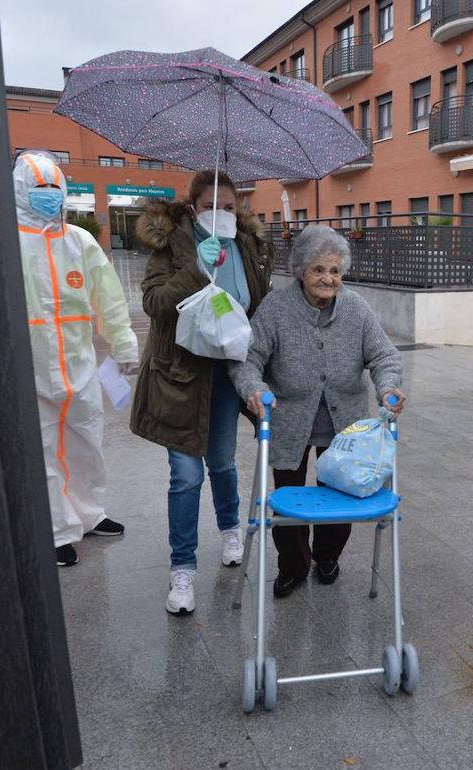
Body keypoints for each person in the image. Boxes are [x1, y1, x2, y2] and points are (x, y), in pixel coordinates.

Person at [230, 224, 404, 599]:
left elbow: (384, 355)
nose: (328, 278)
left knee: (340, 497)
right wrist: (255, 390)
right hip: (289, 421)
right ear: (301, 271)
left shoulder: (356, 309)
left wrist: (388, 387)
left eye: (335, 271)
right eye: (319, 269)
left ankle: (327, 556)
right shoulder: (277, 307)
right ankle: (293, 565)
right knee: (288, 499)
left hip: (347, 429)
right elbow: (248, 359)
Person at [131, 170, 274, 615]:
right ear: (194, 207)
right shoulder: (174, 243)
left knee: (224, 461)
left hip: (228, 374)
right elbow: (154, 304)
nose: (223, 214)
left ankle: (230, 528)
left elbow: (260, 306)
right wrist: (195, 269)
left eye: (230, 207)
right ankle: (183, 568)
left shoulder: (248, 245)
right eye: (212, 205)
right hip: (180, 377)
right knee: (186, 474)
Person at [13, 151, 139, 567]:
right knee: (45, 450)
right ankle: (56, 530)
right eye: (39, 188)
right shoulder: (8, 241)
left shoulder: (78, 241)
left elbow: (108, 297)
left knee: (87, 441)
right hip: (29, 366)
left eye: (54, 188)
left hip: (79, 363)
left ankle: (89, 514)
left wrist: (123, 346)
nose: (48, 196)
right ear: (20, 190)